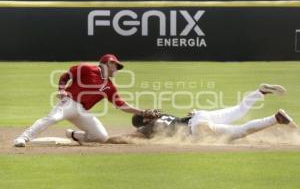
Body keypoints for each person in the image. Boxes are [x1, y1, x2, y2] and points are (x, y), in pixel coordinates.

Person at [14, 54, 153, 147]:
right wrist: (61, 90)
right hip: (69, 102)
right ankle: (23, 138)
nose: (117, 69)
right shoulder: (88, 68)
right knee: (52, 118)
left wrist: (142, 112)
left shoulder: (110, 86)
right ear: (109, 63)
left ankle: (74, 135)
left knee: (101, 136)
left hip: (82, 111)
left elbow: (121, 105)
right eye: (116, 65)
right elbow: (65, 76)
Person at [105, 84, 298, 144]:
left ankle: (275, 119)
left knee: (238, 132)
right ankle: (260, 92)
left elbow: (126, 137)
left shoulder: (150, 127)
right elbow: (129, 135)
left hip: (196, 127)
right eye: (147, 114)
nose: (151, 112)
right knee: (239, 110)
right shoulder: (153, 123)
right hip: (199, 116)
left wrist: (104, 139)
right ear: (144, 120)